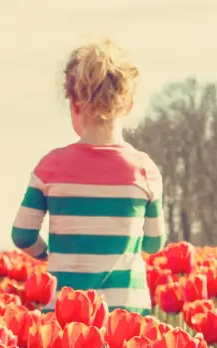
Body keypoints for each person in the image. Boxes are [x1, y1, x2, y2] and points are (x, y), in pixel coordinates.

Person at [10, 38, 165, 313]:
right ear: (128, 105)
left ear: (74, 104)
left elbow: (22, 235)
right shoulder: (144, 170)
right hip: (126, 309)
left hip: (64, 310)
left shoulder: (51, 166)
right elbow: (154, 243)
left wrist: (48, 254)